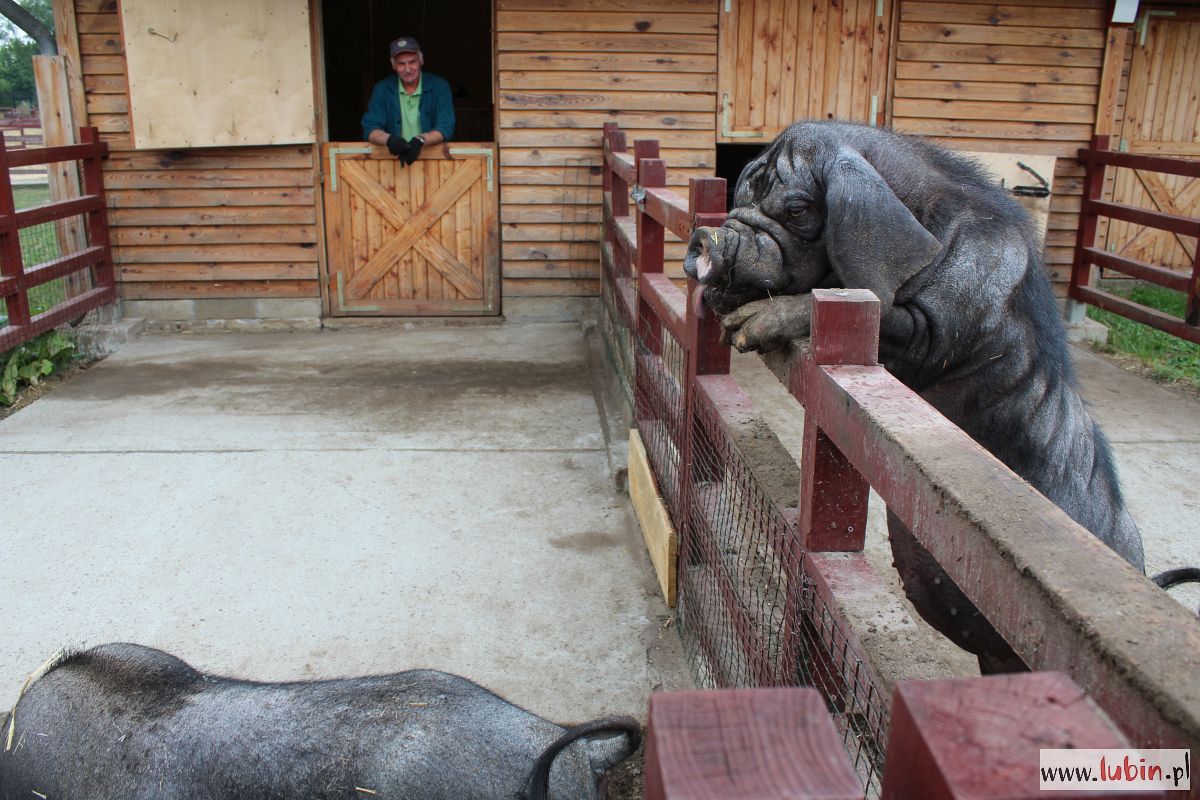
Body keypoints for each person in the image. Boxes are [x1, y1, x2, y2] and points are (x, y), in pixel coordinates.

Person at [361, 36, 455, 166]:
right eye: (401, 64)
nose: (408, 69)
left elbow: (446, 126)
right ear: (393, 65)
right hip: (390, 164)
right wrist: (389, 140)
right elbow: (370, 128)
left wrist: (421, 140)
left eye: (412, 62)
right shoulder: (382, 89)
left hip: (433, 163)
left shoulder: (440, 86)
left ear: (421, 60)